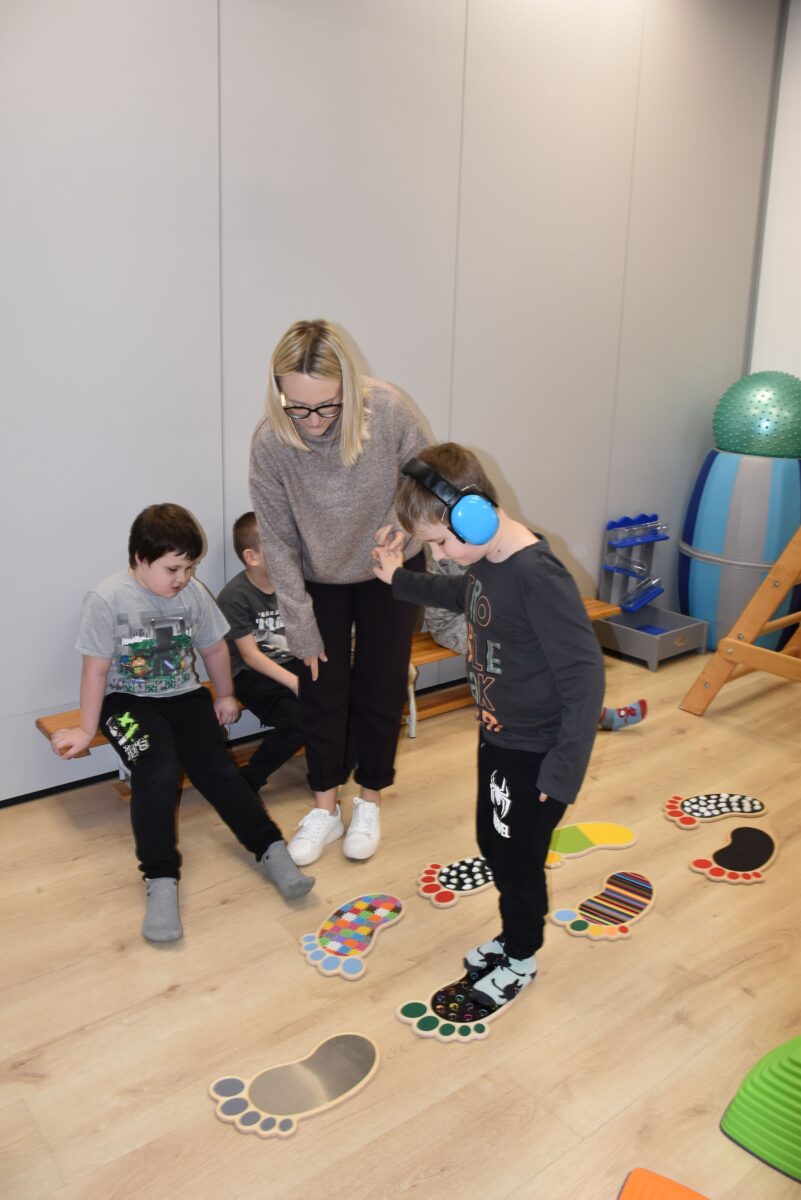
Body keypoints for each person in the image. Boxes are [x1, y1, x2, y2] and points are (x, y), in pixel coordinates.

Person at [372, 444, 605, 1012]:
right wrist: (399, 579)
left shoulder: (537, 575)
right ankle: (512, 935)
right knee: (493, 842)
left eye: (440, 542)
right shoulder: (487, 563)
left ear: (475, 515)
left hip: (537, 752)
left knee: (518, 858)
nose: (439, 554)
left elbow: (585, 676)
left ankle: (521, 955)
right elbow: (463, 593)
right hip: (499, 736)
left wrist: (562, 772)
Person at [50, 503, 315, 944]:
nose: (183, 578)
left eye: (189, 568)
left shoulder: (193, 594)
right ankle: (160, 879)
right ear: (140, 558)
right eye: (173, 569)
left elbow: (214, 649)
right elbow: (95, 671)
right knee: (157, 770)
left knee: (218, 770)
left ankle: (271, 850)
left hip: (184, 695)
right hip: (126, 701)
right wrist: (84, 727)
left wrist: (225, 695)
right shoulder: (107, 598)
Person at [249, 319, 427, 866]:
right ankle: (324, 809)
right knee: (321, 692)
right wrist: (298, 623)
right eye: (297, 407)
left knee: (381, 686)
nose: (314, 421)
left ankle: (369, 800)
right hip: (318, 577)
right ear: (279, 393)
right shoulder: (270, 442)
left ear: (348, 387)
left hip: (386, 570)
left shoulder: (387, 410)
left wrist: (405, 527)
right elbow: (277, 539)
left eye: (327, 406)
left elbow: (426, 482)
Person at [422, 560, 646, 730]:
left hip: (482, 614)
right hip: (452, 622)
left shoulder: (486, 541)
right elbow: (475, 595)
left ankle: (587, 713)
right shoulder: (457, 544)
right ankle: (593, 716)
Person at [217, 512, 305, 794]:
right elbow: (251, 656)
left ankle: (332, 772)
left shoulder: (293, 583)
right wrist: (295, 683)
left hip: (293, 661)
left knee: (346, 702)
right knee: (298, 720)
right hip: (251, 673)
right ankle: (249, 780)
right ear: (251, 557)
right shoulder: (235, 596)